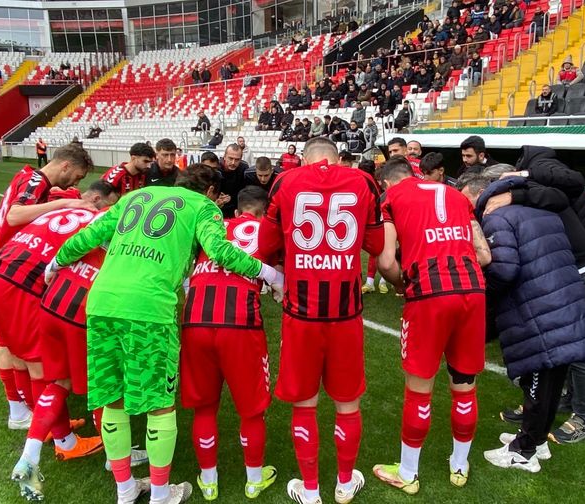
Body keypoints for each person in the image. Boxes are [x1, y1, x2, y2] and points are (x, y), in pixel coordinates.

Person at [46, 163, 284, 504]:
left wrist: (55, 262)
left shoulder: (136, 195)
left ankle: (125, 490)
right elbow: (220, 251)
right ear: (212, 193)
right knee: (159, 405)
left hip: (101, 303)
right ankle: (160, 494)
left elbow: (90, 234)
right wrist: (272, 276)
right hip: (149, 309)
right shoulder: (203, 207)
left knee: (112, 401)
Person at [258, 137, 385, 504]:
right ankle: (345, 483)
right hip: (346, 314)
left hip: (302, 313)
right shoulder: (363, 181)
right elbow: (376, 247)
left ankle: (310, 489)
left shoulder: (285, 181)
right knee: (347, 402)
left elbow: (266, 245)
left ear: (305, 158)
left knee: (305, 403)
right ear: (336, 157)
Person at [486, 146, 585, 443]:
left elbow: (563, 192)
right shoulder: (520, 201)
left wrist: (518, 190)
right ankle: (547, 404)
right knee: (552, 343)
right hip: (564, 269)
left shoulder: (537, 188)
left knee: (575, 347)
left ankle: (584, 419)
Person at [463, 176, 585, 473]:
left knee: (539, 387)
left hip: (541, 312)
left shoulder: (497, 217)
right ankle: (537, 441)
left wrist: (479, 288)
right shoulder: (539, 210)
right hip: (562, 304)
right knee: (550, 384)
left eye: (468, 199)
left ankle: (523, 451)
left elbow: (505, 269)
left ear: (481, 195)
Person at [372, 156, 491, 494]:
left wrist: (399, 284)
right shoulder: (454, 194)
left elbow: (385, 261)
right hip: (472, 290)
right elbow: (484, 256)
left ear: (387, 183)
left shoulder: (392, 199)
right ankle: (459, 465)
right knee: (464, 385)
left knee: (419, 389)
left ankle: (408, 473)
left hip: (429, 293)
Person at [8, 181, 120, 501]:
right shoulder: (127, 225)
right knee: (101, 384)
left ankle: (29, 455)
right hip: (81, 310)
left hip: (52, 301)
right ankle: (116, 458)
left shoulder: (94, 220)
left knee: (58, 382)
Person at [0, 144, 96, 430]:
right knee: (33, 356)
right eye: (76, 176)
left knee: (11, 347)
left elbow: (8, 217)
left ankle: (22, 412)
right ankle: (53, 430)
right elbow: (14, 216)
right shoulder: (35, 180)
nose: (76, 183)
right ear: (65, 166)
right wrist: (66, 204)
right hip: (12, 274)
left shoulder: (26, 178)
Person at [181, 186, 279, 500]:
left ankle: (208, 481)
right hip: (240, 323)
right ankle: (253, 480)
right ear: (264, 213)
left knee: (205, 407)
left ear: (236, 212)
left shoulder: (213, 225)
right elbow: (280, 277)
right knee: (251, 411)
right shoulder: (269, 231)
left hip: (195, 319)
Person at [218, 144, 250, 218]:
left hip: (236, 207)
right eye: (230, 158)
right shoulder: (216, 168)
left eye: (237, 159)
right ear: (224, 157)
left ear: (241, 159)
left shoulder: (244, 168)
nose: (233, 162)